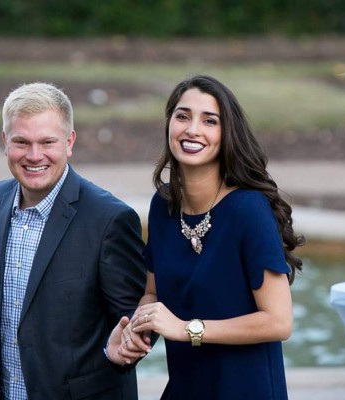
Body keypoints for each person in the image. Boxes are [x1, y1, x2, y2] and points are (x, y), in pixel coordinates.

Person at [0, 82, 147, 400]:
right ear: (4, 142)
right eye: (21, 142)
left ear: (69, 142)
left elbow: (135, 322)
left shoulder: (110, 220)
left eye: (47, 142)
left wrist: (122, 347)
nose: (34, 155)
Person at [115, 75, 305, 399]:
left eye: (209, 121)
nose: (192, 129)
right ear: (169, 124)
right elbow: (152, 293)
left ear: (227, 133)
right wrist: (138, 329)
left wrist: (187, 329)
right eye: (183, 116)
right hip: (185, 388)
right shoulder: (163, 206)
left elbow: (279, 322)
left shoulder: (248, 210)